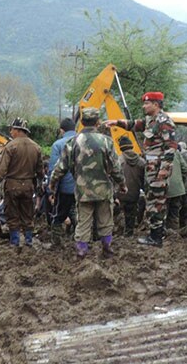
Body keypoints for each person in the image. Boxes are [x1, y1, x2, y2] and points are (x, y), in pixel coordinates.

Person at [50, 108, 126, 259]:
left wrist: (53, 182)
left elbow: (61, 167)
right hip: (104, 190)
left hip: (83, 190)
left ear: (82, 122)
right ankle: (107, 249)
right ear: (98, 122)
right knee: (105, 221)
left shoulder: (73, 142)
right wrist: (122, 183)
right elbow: (115, 168)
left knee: (83, 222)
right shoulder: (106, 141)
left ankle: (82, 251)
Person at [105, 91, 177, 247]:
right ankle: (156, 233)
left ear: (156, 105)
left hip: (158, 170)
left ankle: (155, 237)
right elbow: (134, 125)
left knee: (156, 203)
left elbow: (171, 147)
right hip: (151, 169)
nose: (144, 106)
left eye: (147, 103)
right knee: (153, 201)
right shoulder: (151, 121)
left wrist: (164, 169)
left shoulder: (164, 121)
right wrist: (116, 122)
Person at [0, 118, 43, 247]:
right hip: (28, 186)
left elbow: (2, 169)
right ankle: (29, 242)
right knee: (27, 215)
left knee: (12, 215)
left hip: (12, 186)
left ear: (18, 130)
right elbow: (40, 171)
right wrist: (39, 185)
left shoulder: (10, 146)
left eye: (12, 129)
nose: (10, 132)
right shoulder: (36, 147)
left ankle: (15, 242)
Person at [47, 117, 77, 246]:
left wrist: (51, 190)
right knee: (81, 215)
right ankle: (81, 241)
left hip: (65, 187)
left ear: (61, 130)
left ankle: (56, 243)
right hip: (82, 187)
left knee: (59, 215)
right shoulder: (84, 142)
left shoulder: (58, 145)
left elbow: (53, 169)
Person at [114, 136, 145, 236]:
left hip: (120, 193)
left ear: (121, 147)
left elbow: (113, 177)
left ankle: (117, 232)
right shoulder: (141, 162)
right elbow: (145, 180)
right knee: (131, 215)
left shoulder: (118, 161)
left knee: (117, 214)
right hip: (134, 193)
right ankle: (129, 233)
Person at [166, 149, 187, 230]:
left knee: (161, 213)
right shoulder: (176, 152)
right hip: (177, 188)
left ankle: (161, 234)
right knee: (174, 212)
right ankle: (173, 234)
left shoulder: (155, 151)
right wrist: (180, 181)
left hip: (162, 187)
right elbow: (185, 169)